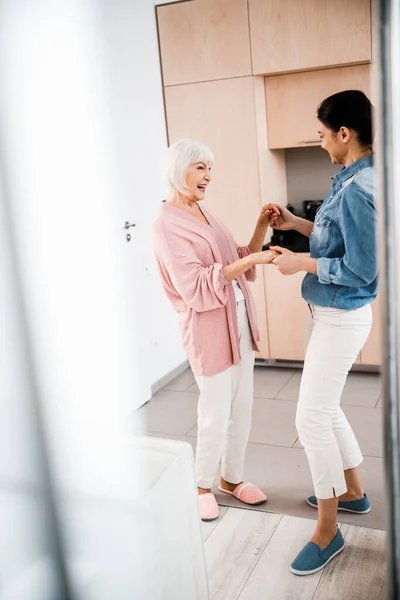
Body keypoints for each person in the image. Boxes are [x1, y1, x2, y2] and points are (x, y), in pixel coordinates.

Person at [268, 90, 377, 575]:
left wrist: (300, 264)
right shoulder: (352, 179)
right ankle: (352, 492)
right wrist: (296, 223)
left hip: (342, 317)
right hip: (333, 316)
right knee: (325, 409)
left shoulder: (359, 189)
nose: (320, 143)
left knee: (309, 420)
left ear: (344, 133)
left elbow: (362, 269)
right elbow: (338, 236)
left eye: (321, 135)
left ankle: (328, 532)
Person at [152, 139, 278, 521]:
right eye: (201, 168)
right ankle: (202, 485)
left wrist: (259, 229)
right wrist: (251, 259)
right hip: (207, 328)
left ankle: (232, 480)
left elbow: (237, 259)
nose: (209, 176)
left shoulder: (204, 212)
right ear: (180, 170)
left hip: (239, 321)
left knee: (242, 406)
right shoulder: (165, 223)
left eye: (210, 167)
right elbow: (195, 285)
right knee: (214, 410)